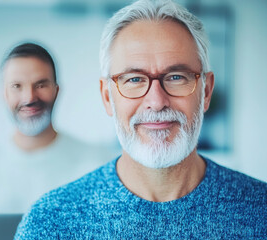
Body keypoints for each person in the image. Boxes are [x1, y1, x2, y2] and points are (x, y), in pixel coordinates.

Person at [14, 0, 267, 239]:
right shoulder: (50, 223)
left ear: (206, 92)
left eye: (176, 77)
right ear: (106, 97)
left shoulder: (261, 212)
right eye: (134, 79)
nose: (156, 102)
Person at [0, 42, 114, 213]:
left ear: (56, 91)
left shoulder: (99, 165)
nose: (29, 97)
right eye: (17, 86)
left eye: (41, 85)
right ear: (4, 94)